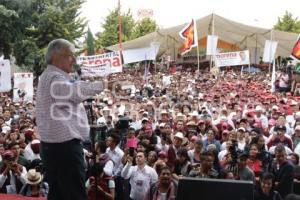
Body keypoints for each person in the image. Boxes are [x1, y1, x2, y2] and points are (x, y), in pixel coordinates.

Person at [36, 39, 106, 200]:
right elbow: (73, 92)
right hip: (64, 148)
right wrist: (102, 84)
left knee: (58, 193)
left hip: (54, 148)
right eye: (70, 56)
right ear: (56, 56)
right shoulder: (54, 77)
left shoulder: (49, 76)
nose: (74, 60)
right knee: (74, 194)